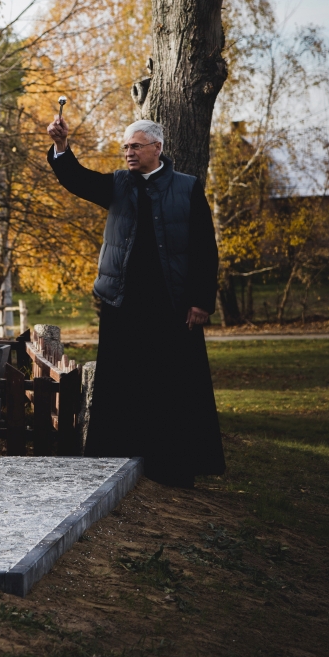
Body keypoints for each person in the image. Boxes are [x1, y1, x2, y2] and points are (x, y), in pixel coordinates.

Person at [46, 113, 225, 488]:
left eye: (136, 146)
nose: (128, 152)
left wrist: (201, 301)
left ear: (157, 148)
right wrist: (62, 147)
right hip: (122, 303)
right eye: (125, 146)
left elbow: (204, 249)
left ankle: (173, 468)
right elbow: (78, 180)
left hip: (173, 306)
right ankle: (118, 466)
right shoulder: (117, 184)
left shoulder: (188, 188)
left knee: (173, 387)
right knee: (123, 386)